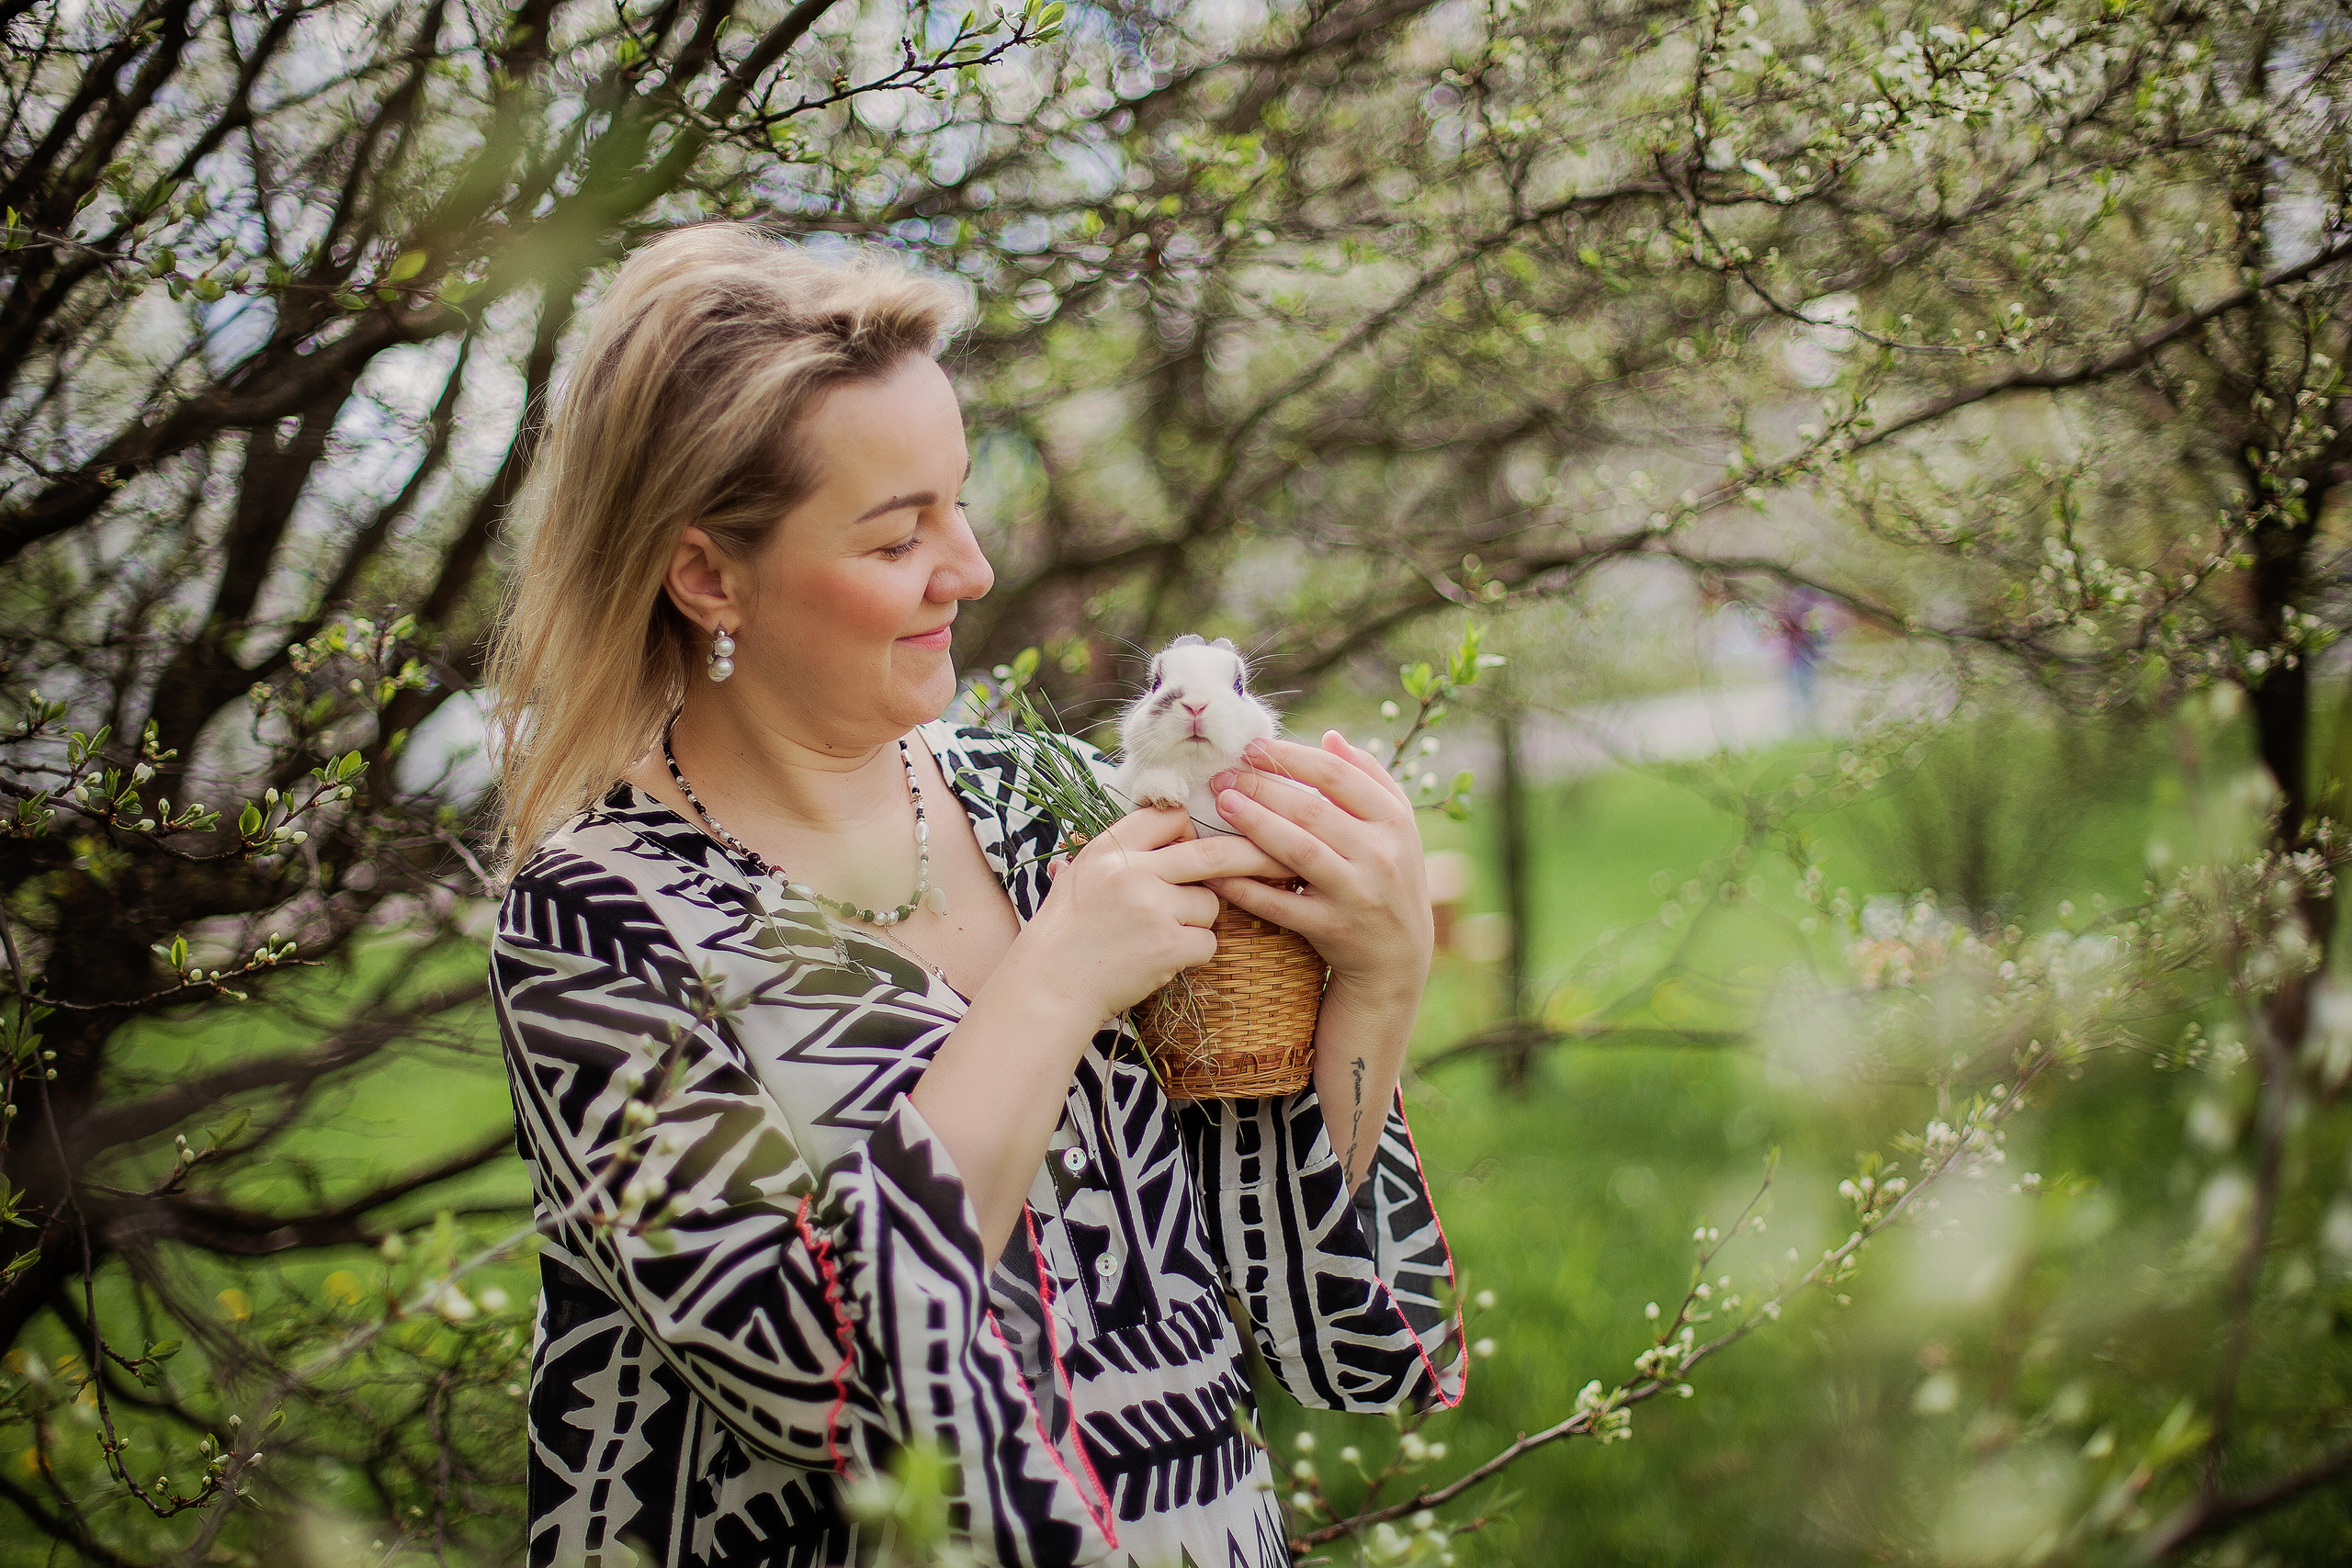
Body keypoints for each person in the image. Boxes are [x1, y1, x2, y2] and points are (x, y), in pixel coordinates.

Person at [481, 223, 1464, 1568]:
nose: (973, 569)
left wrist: (1380, 973)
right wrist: (1053, 983)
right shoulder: (601, 922)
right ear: (709, 575)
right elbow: (817, 1375)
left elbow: (1323, 1326)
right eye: (901, 535)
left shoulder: (1051, 800)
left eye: (962, 500)